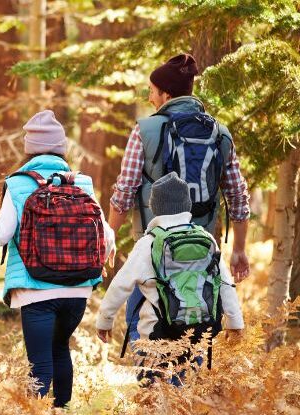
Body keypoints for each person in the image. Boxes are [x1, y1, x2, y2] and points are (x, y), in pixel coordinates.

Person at [0, 110, 115, 408]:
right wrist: (103, 259)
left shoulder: (18, 184)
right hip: (78, 290)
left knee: (39, 364)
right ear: (61, 147)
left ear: (29, 148)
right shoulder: (83, 183)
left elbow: (0, 235)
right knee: (61, 350)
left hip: (35, 288)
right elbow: (105, 232)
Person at [107, 53, 251, 343]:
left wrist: (110, 235)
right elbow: (237, 195)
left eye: (151, 91)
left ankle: (154, 383)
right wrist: (239, 249)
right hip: (201, 252)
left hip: (154, 251)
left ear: (166, 93)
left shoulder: (145, 131)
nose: (149, 98)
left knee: (145, 324)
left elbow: (124, 191)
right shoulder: (219, 134)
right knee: (195, 330)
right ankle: (186, 386)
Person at [97, 173, 244, 384]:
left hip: (157, 334)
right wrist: (235, 323)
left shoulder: (148, 243)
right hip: (198, 330)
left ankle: (157, 411)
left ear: (154, 207)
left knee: (155, 389)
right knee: (185, 387)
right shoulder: (205, 237)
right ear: (187, 206)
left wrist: (105, 320)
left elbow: (120, 286)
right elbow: (225, 284)